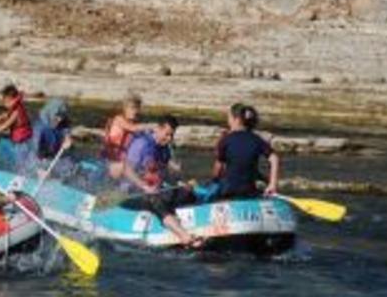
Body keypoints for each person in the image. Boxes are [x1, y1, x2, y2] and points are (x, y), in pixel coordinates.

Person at [119, 115, 202, 247]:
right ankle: (183, 236)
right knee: (154, 199)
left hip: (156, 188)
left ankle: (191, 225)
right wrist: (144, 186)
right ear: (158, 129)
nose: (169, 139)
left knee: (187, 194)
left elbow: (164, 173)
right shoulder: (142, 144)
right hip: (132, 191)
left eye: (172, 135)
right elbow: (126, 170)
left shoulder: (165, 149)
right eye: (167, 134)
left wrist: (181, 182)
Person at [211, 104, 280, 199]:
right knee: (258, 179)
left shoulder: (225, 140)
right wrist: (272, 184)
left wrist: (214, 181)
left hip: (229, 192)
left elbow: (218, 170)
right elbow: (274, 158)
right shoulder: (256, 139)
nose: (228, 122)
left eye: (229, 118)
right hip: (249, 191)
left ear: (237, 120)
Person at [0, 85, 35, 172]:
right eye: (4, 101)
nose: (5, 104)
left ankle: (22, 173)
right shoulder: (14, 108)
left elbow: (7, 124)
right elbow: (4, 116)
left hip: (23, 143)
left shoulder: (16, 111)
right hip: (19, 141)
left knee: (21, 164)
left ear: (14, 99)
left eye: (7, 102)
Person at [102, 94, 148, 179]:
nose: (135, 111)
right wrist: (153, 126)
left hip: (121, 161)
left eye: (137, 108)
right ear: (125, 108)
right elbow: (132, 128)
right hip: (109, 160)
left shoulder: (134, 124)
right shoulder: (118, 119)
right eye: (132, 108)